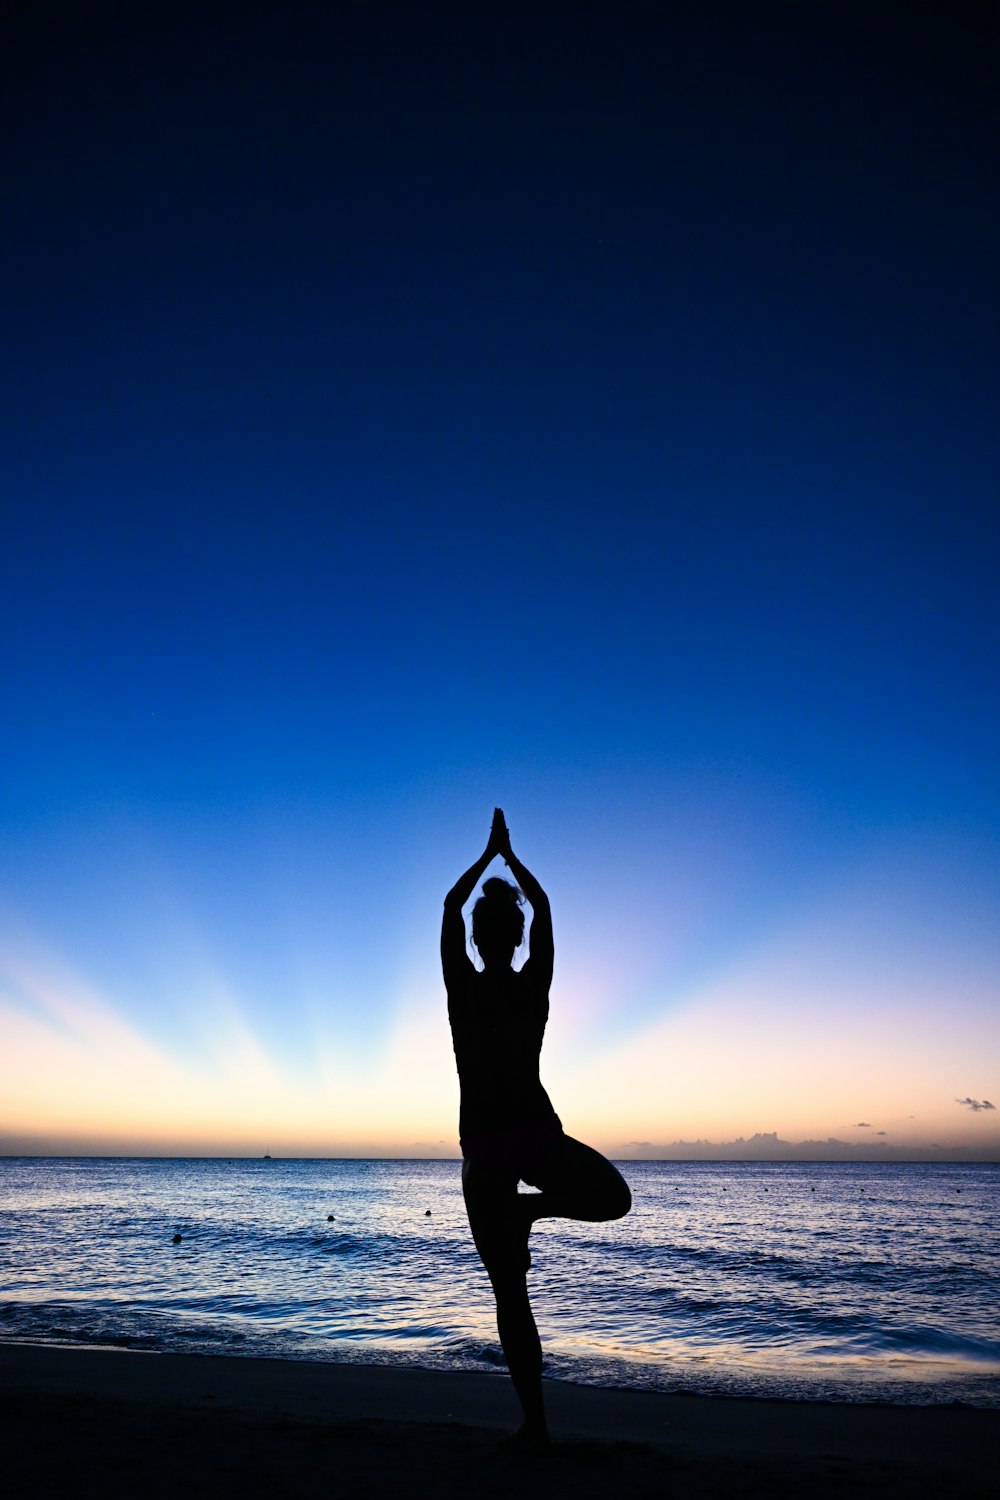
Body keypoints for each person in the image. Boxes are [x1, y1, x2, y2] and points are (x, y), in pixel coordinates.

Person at [442, 808, 631, 1450]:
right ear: (516, 939)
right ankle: (533, 1212)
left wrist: (486, 859)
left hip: (491, 1148)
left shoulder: (462, 988)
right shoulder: (532, 988)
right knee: (613, 1197)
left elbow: (450, 905)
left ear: (479, 935)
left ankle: (536, 1425)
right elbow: (544, 907)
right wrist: (511, 857)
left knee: (510, 1296)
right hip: (527, 1136)